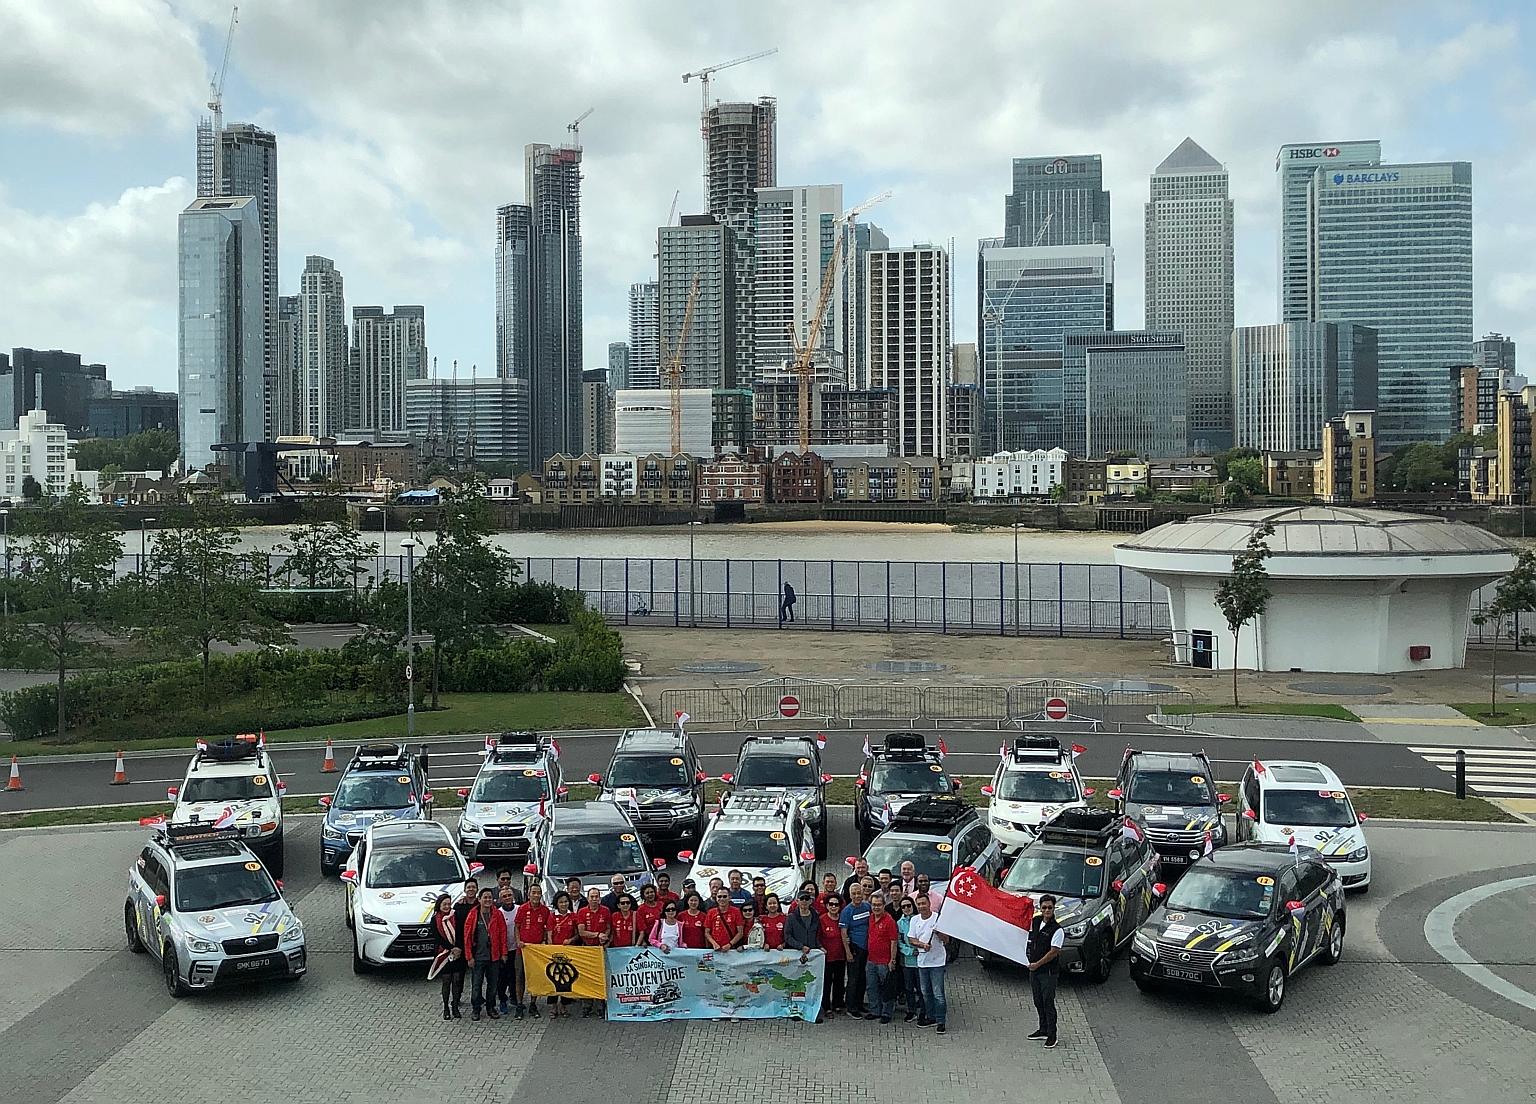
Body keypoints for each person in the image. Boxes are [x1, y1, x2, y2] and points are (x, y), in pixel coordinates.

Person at [463, 888, 508, 1021]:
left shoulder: (497, 914)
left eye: (490, 897)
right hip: (478, 957)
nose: (488, 900)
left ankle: (490, 1007)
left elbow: (503, 934)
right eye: (485, 897)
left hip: (494, 957)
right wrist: (469, 956)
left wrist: (504, 953)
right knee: (476, 985)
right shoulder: (473, 914)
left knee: (492, 984)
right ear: (479, 899)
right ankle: (476, 1009)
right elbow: (467, 937)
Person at [907, 892, 948, 1034]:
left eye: (924, 903)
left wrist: (938, 933)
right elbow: (911, 939)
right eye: (919, 904)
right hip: (922, 962)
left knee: (938, 993)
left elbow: (946, 940)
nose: (922, 906)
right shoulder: (914, 920)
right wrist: (922, 945)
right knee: (925, 992)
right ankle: (931, 1017)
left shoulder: (938, 919)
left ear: (929, 904)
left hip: (937, 962)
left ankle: (941, 1021)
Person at [1027, 894, 1064, 1049]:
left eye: (1050, 907)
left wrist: (1037, 964)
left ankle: (1052, 1034)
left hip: (1048, 972)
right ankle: (1042, 1029)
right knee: (1038, 1001)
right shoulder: (1035, 922)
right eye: (1044, 907)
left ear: (1054, 908)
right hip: (1034, 971)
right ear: (1040, 908)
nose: (1047, 910)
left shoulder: (1057, 930)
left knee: (1048, 1002)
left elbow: (1053, 952)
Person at [513, 882, 551, 1018]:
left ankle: (533, 1004)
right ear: (528, 895)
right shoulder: (523, 909)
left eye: (538, 893)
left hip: (537, 951)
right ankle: (519, 1004)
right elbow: (516, 926)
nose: (536, 895)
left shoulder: (545, 910)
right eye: (533, 893)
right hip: (523, 949)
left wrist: (545, 941)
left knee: (535, 977)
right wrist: (518, 941)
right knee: (520, 976)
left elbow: (547, 929)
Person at [576, 888, 612, 1018]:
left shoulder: (605, 911)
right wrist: (597, 935)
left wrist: (605, 938)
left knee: (601, 978)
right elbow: (581, 932)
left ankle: (601, 1005)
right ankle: (587, 1005)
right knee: (586, 978)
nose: (594, 899)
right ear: (588, 898)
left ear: (600, 898)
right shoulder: (582, 912)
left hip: (600, 949)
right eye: (592, 896)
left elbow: (608, 928)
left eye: (596, 896)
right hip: (587, 949)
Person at [864, 892, 900, 1024]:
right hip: (871, 960)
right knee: (871, 987)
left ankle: (886, 1013)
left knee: (887, 988)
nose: (876, 907)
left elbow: (893, 941)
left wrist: (892, 960)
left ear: (884, 905)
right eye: (874, 905)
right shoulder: (871, 918)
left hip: (884, 962)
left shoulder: (889, 921)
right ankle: (875, 1011)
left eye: (879, 905)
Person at [430, 893, 465, 1020]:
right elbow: (437, 938)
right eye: (444, 904)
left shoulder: (456, 916)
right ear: (439, 905)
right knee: (446, 981)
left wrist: (458, 948)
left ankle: (455, 1005)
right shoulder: (435, 919)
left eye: (449, 904)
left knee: (457, 980)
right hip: (443, 953)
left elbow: (461, 933)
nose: (447, 906)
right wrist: (451, 948)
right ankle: (446, 1007)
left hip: (458, 953)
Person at [839, 883, 872, 1016]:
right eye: (854, 894)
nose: (857, 896)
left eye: (859, 893)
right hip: (854, 948)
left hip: (866, 948)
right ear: (850, 895)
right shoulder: (847, 911)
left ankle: (859, 1003)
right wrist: (847, 951)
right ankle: (851, 1007)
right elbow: (843, 932)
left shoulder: (867, 907)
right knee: (853, 979)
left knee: (863, 977)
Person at [547, 891, 579, 1018]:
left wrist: (570, 941)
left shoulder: (573, 916)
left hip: (568, 953)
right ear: (556, 904)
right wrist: (551, 949)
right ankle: (553, 1007)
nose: (564, 904)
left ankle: (564, 1005)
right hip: (554, 953)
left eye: (566, 901)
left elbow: (577, 934)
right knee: (553, 979)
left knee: (566, 979)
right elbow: (549, 934)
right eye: (561, 902)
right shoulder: (551, 916)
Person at [817, 892, 846, 1015]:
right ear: (827, 905)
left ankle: (838, 1004)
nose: (834, 907)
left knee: (839, 981)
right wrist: (821, 947)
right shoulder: (822, 919)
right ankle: (826, 1005)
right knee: (827, 982)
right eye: (831, 904)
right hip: (827, 957)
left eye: (836, 904)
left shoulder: (843, 918)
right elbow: (817, 937)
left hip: (840, 956)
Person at [896, 896, 922, 1021]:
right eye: (903, 907)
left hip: (921, 961)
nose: (906, 908)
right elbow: (899, 942)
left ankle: (924, 1010)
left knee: (922, 988)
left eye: (908, 906)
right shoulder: (900, 923)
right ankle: (911, 1010)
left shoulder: (920, 920)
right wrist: (910, 951)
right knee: (909, 988)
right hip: (907, 961)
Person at [497, 886, 521, 1017]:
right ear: (500, 898)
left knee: (514, 976)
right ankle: (502, 1000)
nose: (507, 898)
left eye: (509, 895)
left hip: (516, 949)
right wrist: (502, 952)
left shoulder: (519, 910)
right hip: (503, 951)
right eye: (504, 896)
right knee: (502, 978)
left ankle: (515, 998)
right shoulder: (498, 912)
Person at [706, 886, 745, 951]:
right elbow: (707, 932)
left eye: (724, 896)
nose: (722, 899)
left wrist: (730, 944)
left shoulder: (736, 911)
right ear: (716, 898)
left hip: (731, 949)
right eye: (719, 896)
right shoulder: (711, 912)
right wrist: (714, 944)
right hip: (715, 949)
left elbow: (740, 933)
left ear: (729, 898)